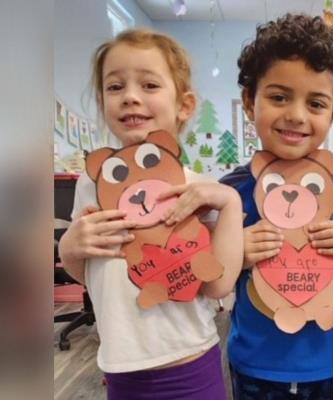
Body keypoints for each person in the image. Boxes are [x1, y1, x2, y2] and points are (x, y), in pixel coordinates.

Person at [58, 29, 243, 400]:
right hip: (122, 368)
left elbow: (219, 286)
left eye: (148, 84)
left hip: (191, 360)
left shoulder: (197, 187)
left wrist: (230, 204)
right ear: (102, 101)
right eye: (115, 87)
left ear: (184, 105)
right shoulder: (91, 183)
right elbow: (92, 274)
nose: (129, 97)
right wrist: (70, 248)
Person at [219, 13, 333, 399]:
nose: (296, 115)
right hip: (256, 363)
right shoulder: (231, 190)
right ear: (250, 101)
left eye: (315, 103)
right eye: (279, 96)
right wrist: (234, 252)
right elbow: (211, 272)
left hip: (330, 360)